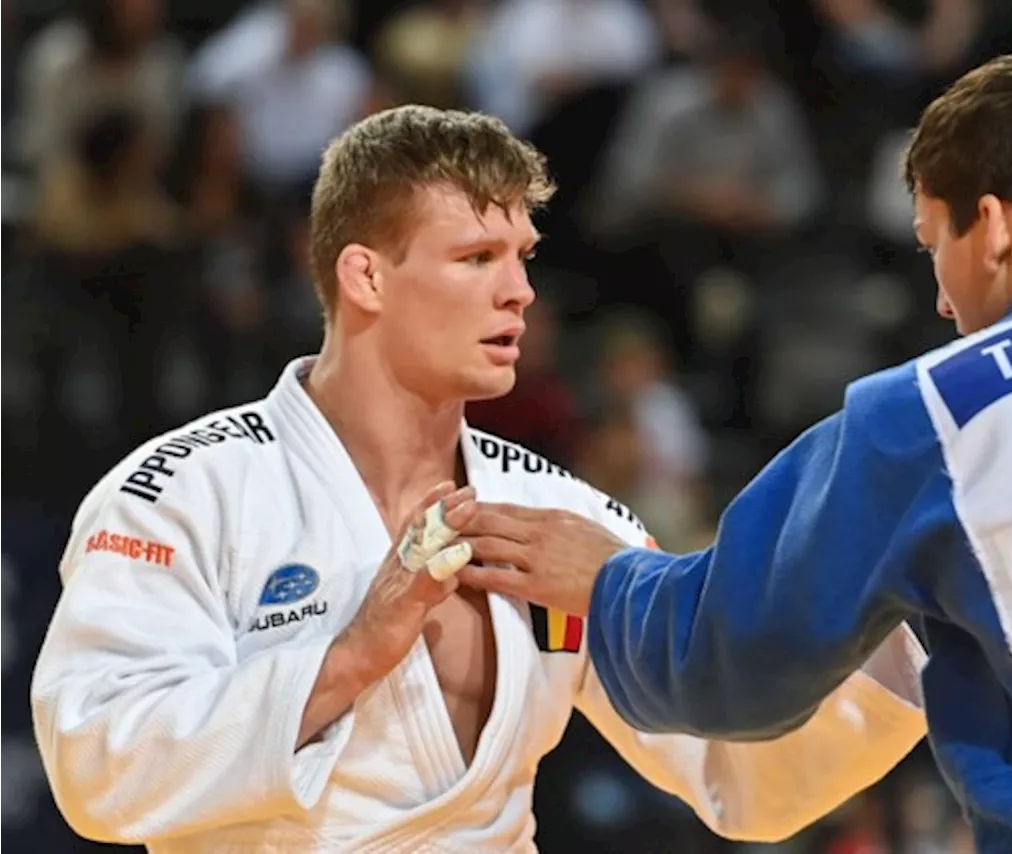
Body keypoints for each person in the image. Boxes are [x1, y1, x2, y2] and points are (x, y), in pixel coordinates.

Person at [29, 104, 928, 852]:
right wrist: (348, 659)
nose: (519, 293)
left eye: (523, 257)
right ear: (366, 276)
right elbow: (95, 766)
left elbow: (740, 771)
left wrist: (917, 626)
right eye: (475, 258)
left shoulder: (557, 516)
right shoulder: (186, 492)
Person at [455, 49, 1012, 853]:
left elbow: (733, 660)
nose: (943, 301)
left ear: (991, 226)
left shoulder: (937, 411)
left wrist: (608, 583)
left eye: (932, 246)